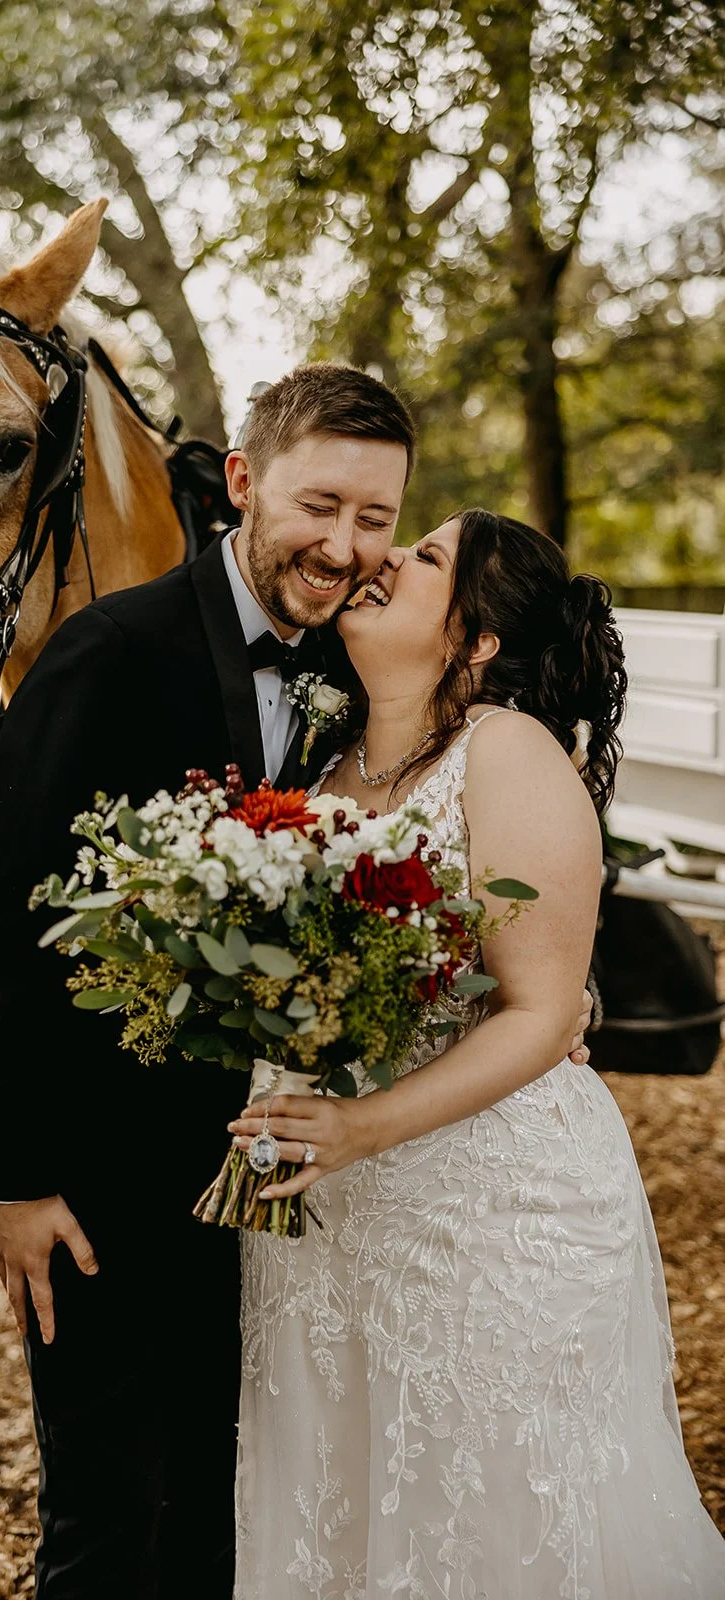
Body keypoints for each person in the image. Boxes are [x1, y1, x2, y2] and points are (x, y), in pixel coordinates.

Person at [0, 369, 591, 1599]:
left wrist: (553, 1002)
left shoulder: (360, 687)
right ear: (241, 482)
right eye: (318, 505)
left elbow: (473, 880)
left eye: (375, 520)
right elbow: (5, 915)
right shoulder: (110, 651)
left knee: (227, 1512)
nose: (344, 547)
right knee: (105, 1519)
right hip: (107, 1184)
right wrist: (8, 1178)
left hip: (271, 1197)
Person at [228, 509, 725, 1599]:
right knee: (347, 1507)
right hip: (327, 1225)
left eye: (425, 558)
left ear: (477, 640)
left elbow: (544, 1014)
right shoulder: (322, 760)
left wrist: (360, 1123)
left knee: (498, 1513)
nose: (384, 560)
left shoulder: (505, 755)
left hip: (486, 1218)